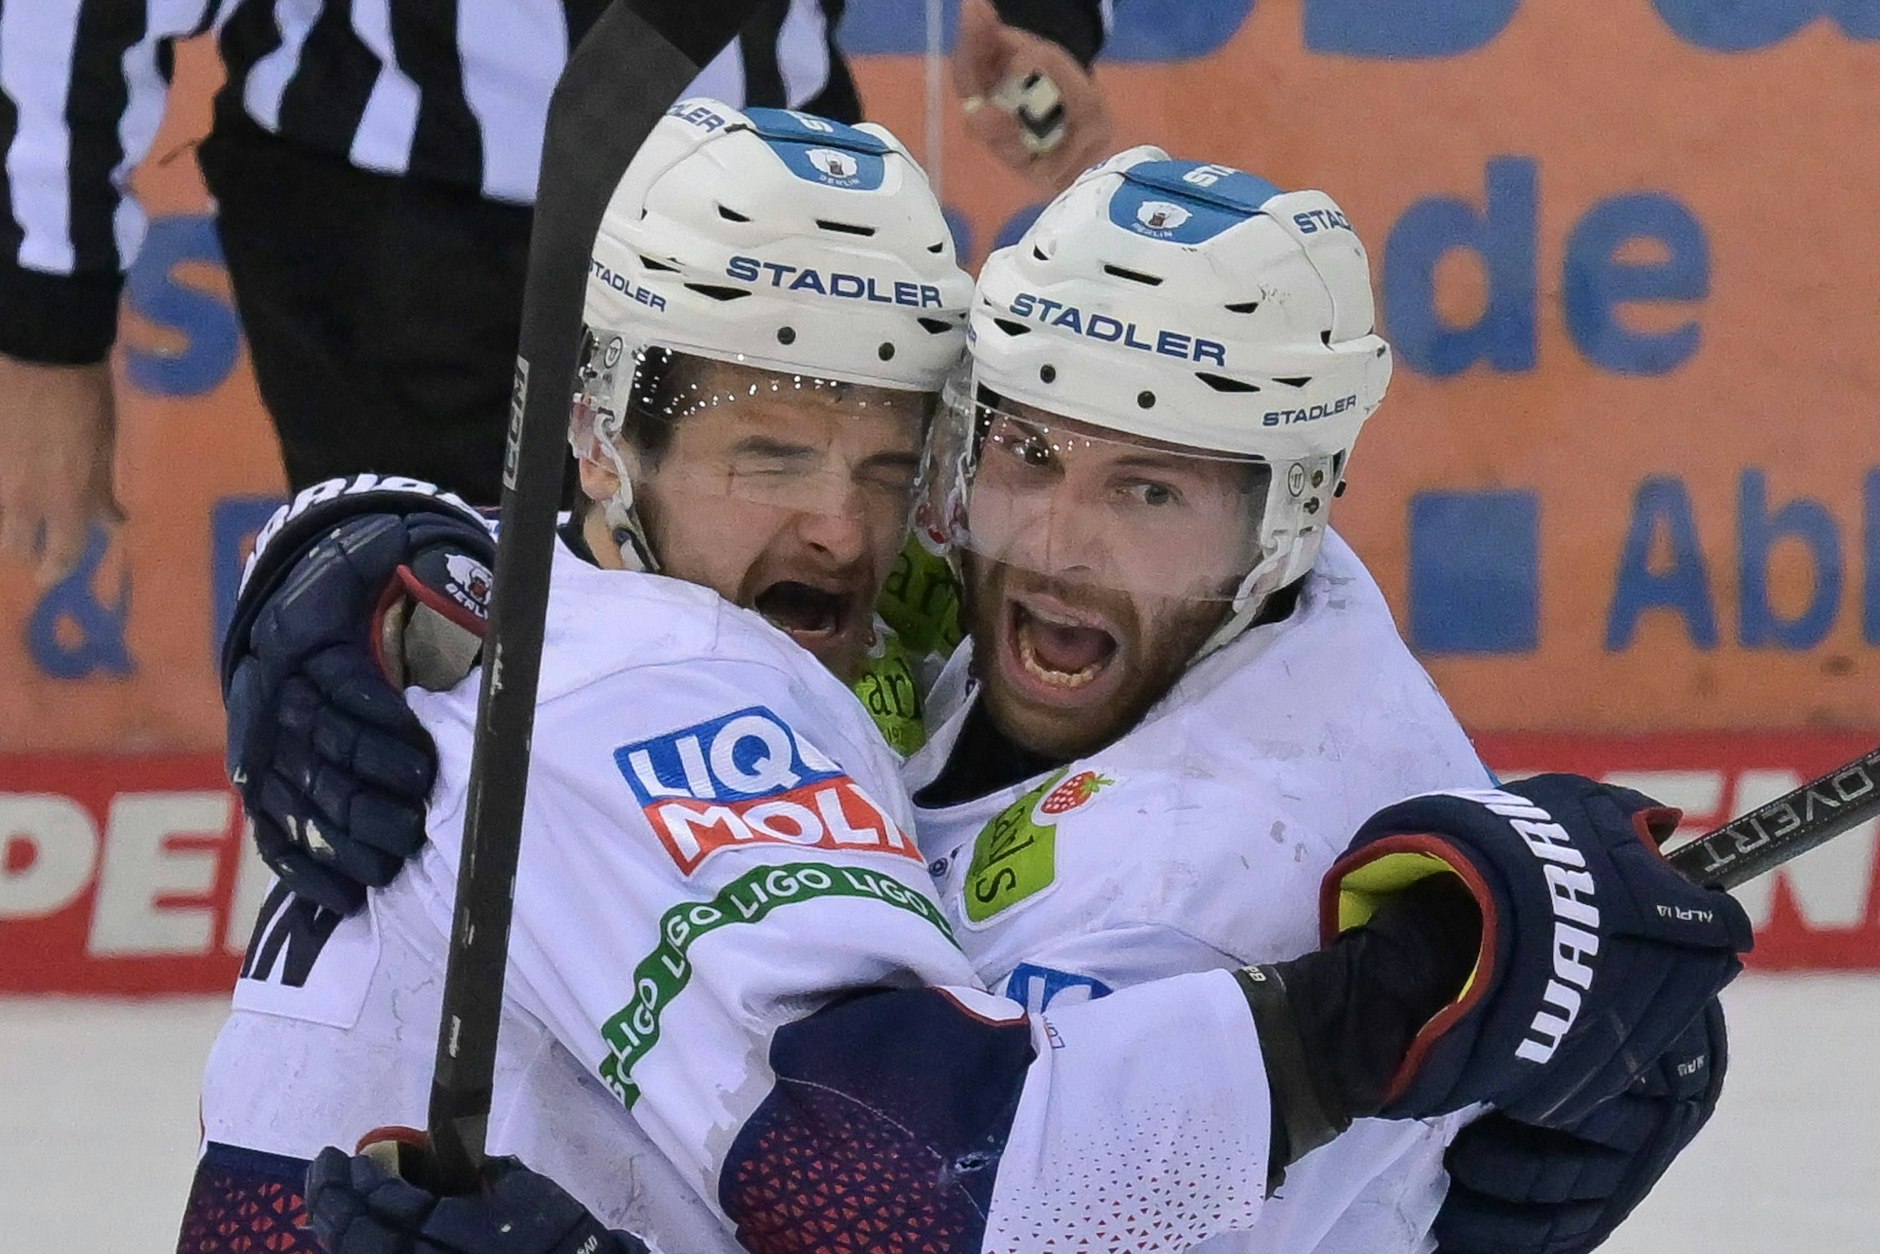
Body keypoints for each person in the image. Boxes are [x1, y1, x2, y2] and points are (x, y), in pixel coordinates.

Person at [217, 122, 1749, 1254]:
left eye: (1157, 493)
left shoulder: (1214, 855)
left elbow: (930, 1184)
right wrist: (353, 531)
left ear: (1292, 509)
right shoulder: (816, 617)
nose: (1059, 549)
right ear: (602, 437)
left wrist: (1428, 1011)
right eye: (1024, 454)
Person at [0, 0, 1113, 586]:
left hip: (762, 187)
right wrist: (50, 320)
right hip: (401, 232)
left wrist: (1045, 13)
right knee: (434, 687)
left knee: (782, 640)